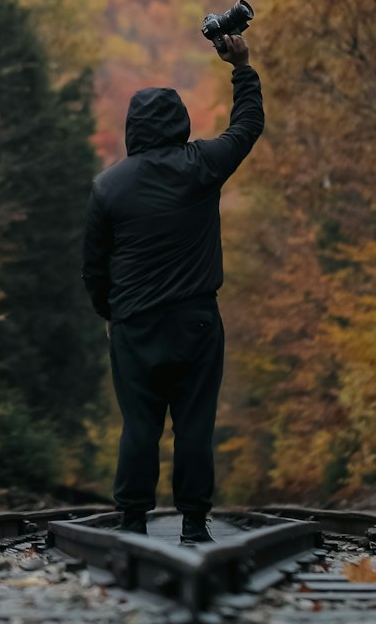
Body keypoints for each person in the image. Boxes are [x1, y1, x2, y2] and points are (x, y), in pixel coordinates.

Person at [82, 32, 264, 544]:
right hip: (196, 322)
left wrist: (109, 314)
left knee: (139, 425)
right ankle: (192, 523)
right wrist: (242, 67)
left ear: (132, 128)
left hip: (135, 324)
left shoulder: (107, 188)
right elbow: (248, 126)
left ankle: (133, 521)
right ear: (180, 123)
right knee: (194, 426)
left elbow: (93, 267)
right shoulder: (202, 166)